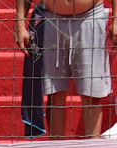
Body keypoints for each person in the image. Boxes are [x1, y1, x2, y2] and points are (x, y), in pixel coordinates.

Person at [16, 0, 116, 138]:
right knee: (55, 93)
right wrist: (20, 24)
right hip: (51, 17)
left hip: (90, 17)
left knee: (92, 93)